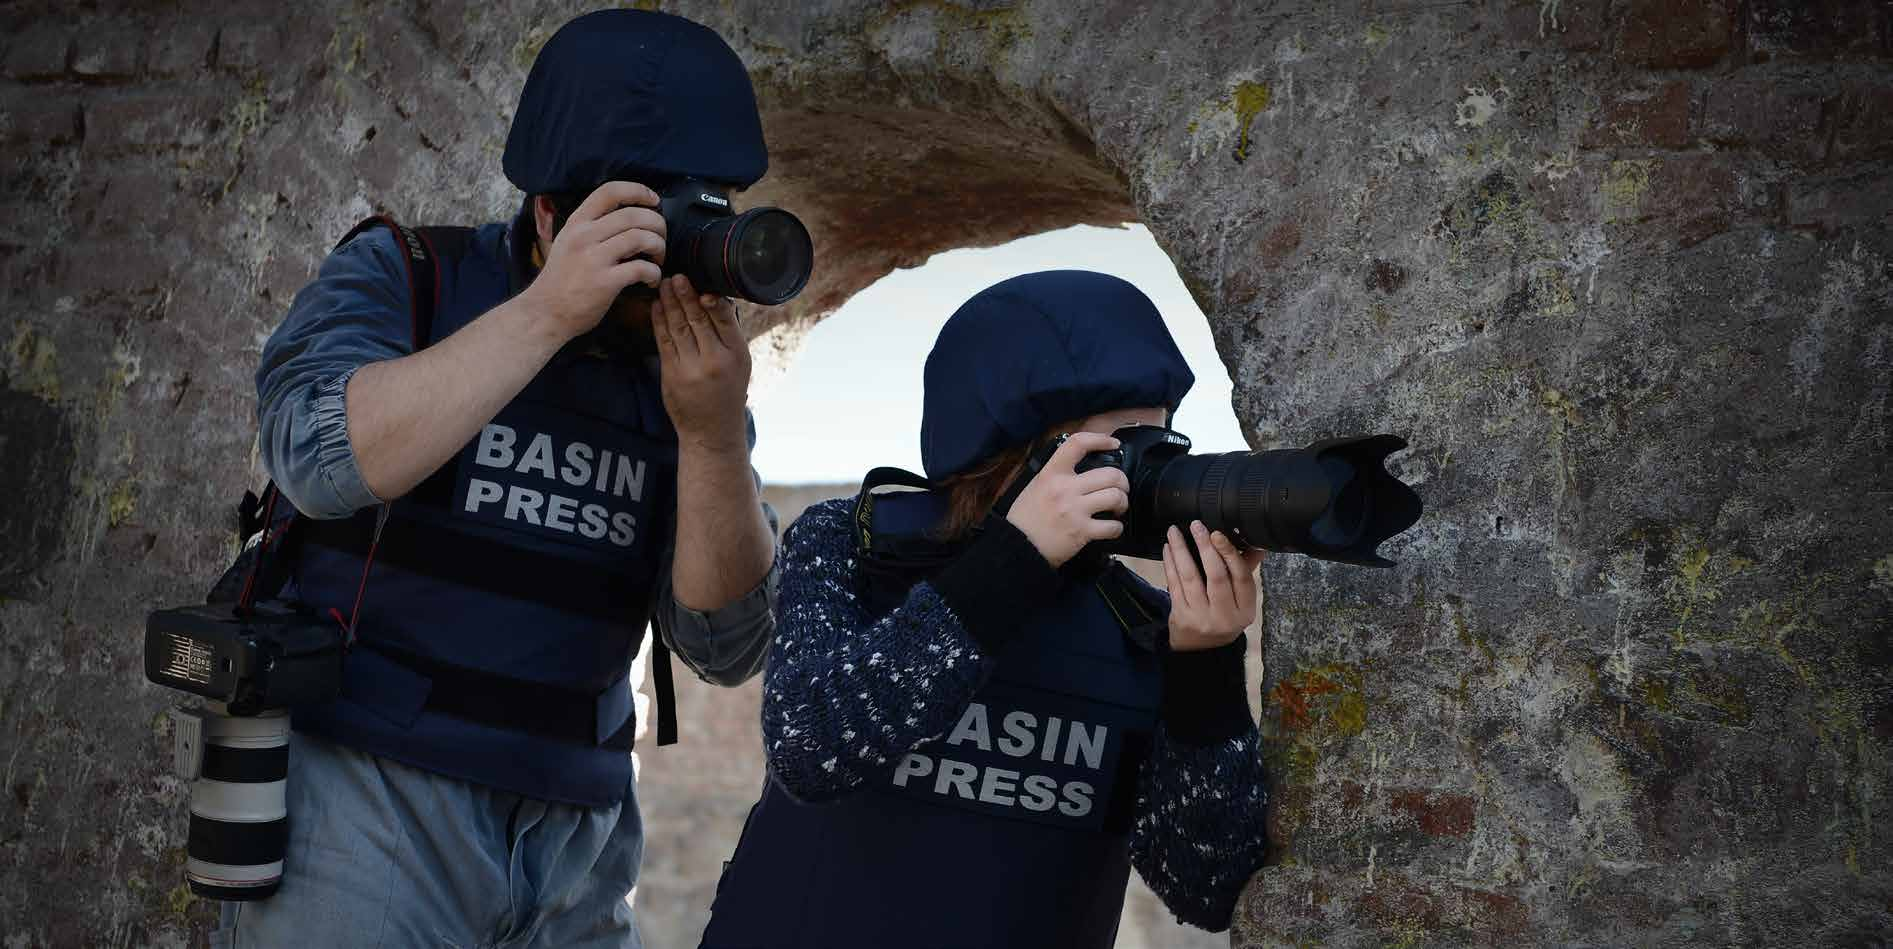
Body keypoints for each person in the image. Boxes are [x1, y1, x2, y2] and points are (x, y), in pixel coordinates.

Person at [217, 10, 779, 948]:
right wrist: (548, 311)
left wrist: (716, 436)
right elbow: (317, 459)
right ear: (550, 213)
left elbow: (726, 647)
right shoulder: (410, 276)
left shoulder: (685, 367)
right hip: (369, 808)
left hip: (580, 842)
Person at [700, 270, 1271, 948]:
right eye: (1114, 452)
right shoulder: (851, 544)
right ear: (1014, 453)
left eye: (1157, 446)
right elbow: (811, 748)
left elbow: (1206, 888)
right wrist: (1014, 561)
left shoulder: (1138, 624)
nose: (1136, 479)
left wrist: (1205, 671)